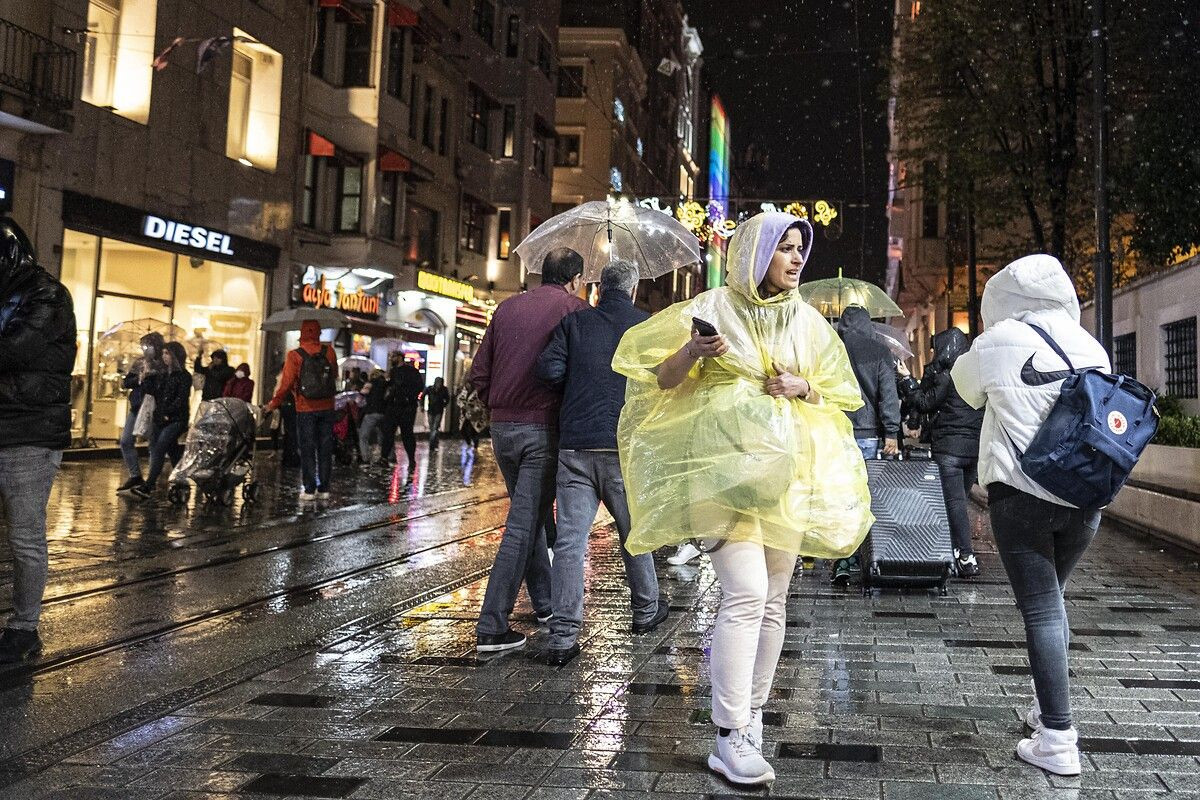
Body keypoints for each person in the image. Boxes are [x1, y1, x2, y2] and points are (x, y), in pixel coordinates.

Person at [613, 212, 872, 785]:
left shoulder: (806, 321)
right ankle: (729, 735)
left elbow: (842, 390)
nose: (797, 258)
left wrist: (803, 386)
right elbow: (660, 377)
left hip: (785, 477)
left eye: (801, 248)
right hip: (720, 475)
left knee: (774, 601)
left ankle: (751, 718)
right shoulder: (713, 308)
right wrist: (694, 353)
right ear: (756, 254)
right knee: (747, 592)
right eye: (785, 248)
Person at [951, 254, 1110, 777]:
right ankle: (1047, 710)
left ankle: (1059, 739)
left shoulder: (996, 341)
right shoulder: (1092, 346)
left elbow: (965, 388)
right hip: (1085, 499)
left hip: (1022, 496)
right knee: (1053, 605)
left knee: (1042, 610)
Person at [534, 260, 666, 666]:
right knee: (633, 532)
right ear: (632, 288)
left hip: (576, 446)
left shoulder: (576, 323)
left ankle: (562, 637)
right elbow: (663, 378)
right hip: (622, 446)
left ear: (598, 287)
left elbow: (548, 369)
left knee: (571, 543)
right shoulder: (645, 327)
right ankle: (645, 611)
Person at [470, 246, 587, 653]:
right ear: (575, 278)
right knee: (522, 525)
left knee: (531, 515)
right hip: (543, 429)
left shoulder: (506, 309)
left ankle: (546, 604)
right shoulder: (573, 309)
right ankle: (491, 624)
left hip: (502, 428)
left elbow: (479, 372)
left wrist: (498, 406)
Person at [0, 218, 76, 664]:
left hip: (28, 432)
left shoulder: (46, 294)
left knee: (25, 537)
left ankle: (24, 629)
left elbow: (14, 350)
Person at [830, 304, 901, 586]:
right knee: (864, 497)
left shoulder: (832, 349)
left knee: (841, 496)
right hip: (868, 433)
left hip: (834, 431)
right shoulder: (878, 351)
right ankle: (866, 556)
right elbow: (888, 394)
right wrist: (892, 433)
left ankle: (842, 558)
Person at [904, 328, 984, 577]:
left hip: (949, 449)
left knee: (954, 504)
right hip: (974, 450)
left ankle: (965, 555)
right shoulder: (978, 375)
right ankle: (953, 552)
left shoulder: (947, 376)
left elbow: (925, 402)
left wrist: (907, 380)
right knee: (957, 501)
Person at [265, 320, 338, 500]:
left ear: (302, 333)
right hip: (327, 405)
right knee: (325, 447)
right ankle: (324, 488)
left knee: (307, 447)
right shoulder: (329, 351)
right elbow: (334, 374)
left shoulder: (295, 355)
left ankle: (309, 488)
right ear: (319, 333)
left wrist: (274, 403)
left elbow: (286, 383)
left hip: (305, 407)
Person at [131, 341, 192, 498]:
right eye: (163, 353)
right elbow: (152, 394)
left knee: (159, 447)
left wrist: (168, 412)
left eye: (168, 354)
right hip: (160, 418)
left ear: (176, 356)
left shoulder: (184, 376)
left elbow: (181, 398)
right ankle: (182, 480)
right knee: (173, 451)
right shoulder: (162, 375)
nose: (164, 357)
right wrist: (144, 379)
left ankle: (149, 485)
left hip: (176, 419)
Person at [116, 332, 165, 495]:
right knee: (125, 440)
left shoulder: (163, 364)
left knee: (153, 444)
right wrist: (139, 379)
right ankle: (135, 475)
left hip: (154, 408)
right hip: (137, 407)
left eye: (148, 346)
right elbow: (126, 382)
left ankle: (151, 481)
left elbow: (166, 385)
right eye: (143, 346)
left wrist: (153, 377)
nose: (145, 349)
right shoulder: (139, 363)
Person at [381, 357, 424, 477]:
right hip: (395, 405)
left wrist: (408, 397)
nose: (391, 358)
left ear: (399, 357)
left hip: (406, 407)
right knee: (389, 432)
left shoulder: (410, 371)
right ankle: (384, 457)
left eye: (393, 356)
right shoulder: (393, 371)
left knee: (406, 434)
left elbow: (418, 386)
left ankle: (411, 459)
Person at [358, 368, 389, 463]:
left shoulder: (370, 383)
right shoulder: (386, 385)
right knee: (384, 436)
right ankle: (389, 456)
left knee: (363, 437)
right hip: (383, 413)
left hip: (371, 412)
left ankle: (365, 458)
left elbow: (362, 394)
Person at [422, 377, 450, 449]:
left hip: (438, 411)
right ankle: (435, 443)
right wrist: (422, 405)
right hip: (431, 410)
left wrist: (444, 404)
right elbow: (423, 396)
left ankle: (432, 443)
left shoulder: (443, 390)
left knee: (435, 427)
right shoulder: (430, 389)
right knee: (433, 427)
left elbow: (447, 398)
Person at [456, 381, 486, 450]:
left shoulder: (476, 393)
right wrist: (463, 406)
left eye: (469, 385)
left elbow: (480, 403)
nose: (467, 386)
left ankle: (475, 444)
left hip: (474, 414)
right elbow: (459, 400)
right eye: (467, 385)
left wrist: (475, 409)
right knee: (462, 429)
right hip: (465, 414)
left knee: (474, 430)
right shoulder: (463, 392)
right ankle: (468, 442)